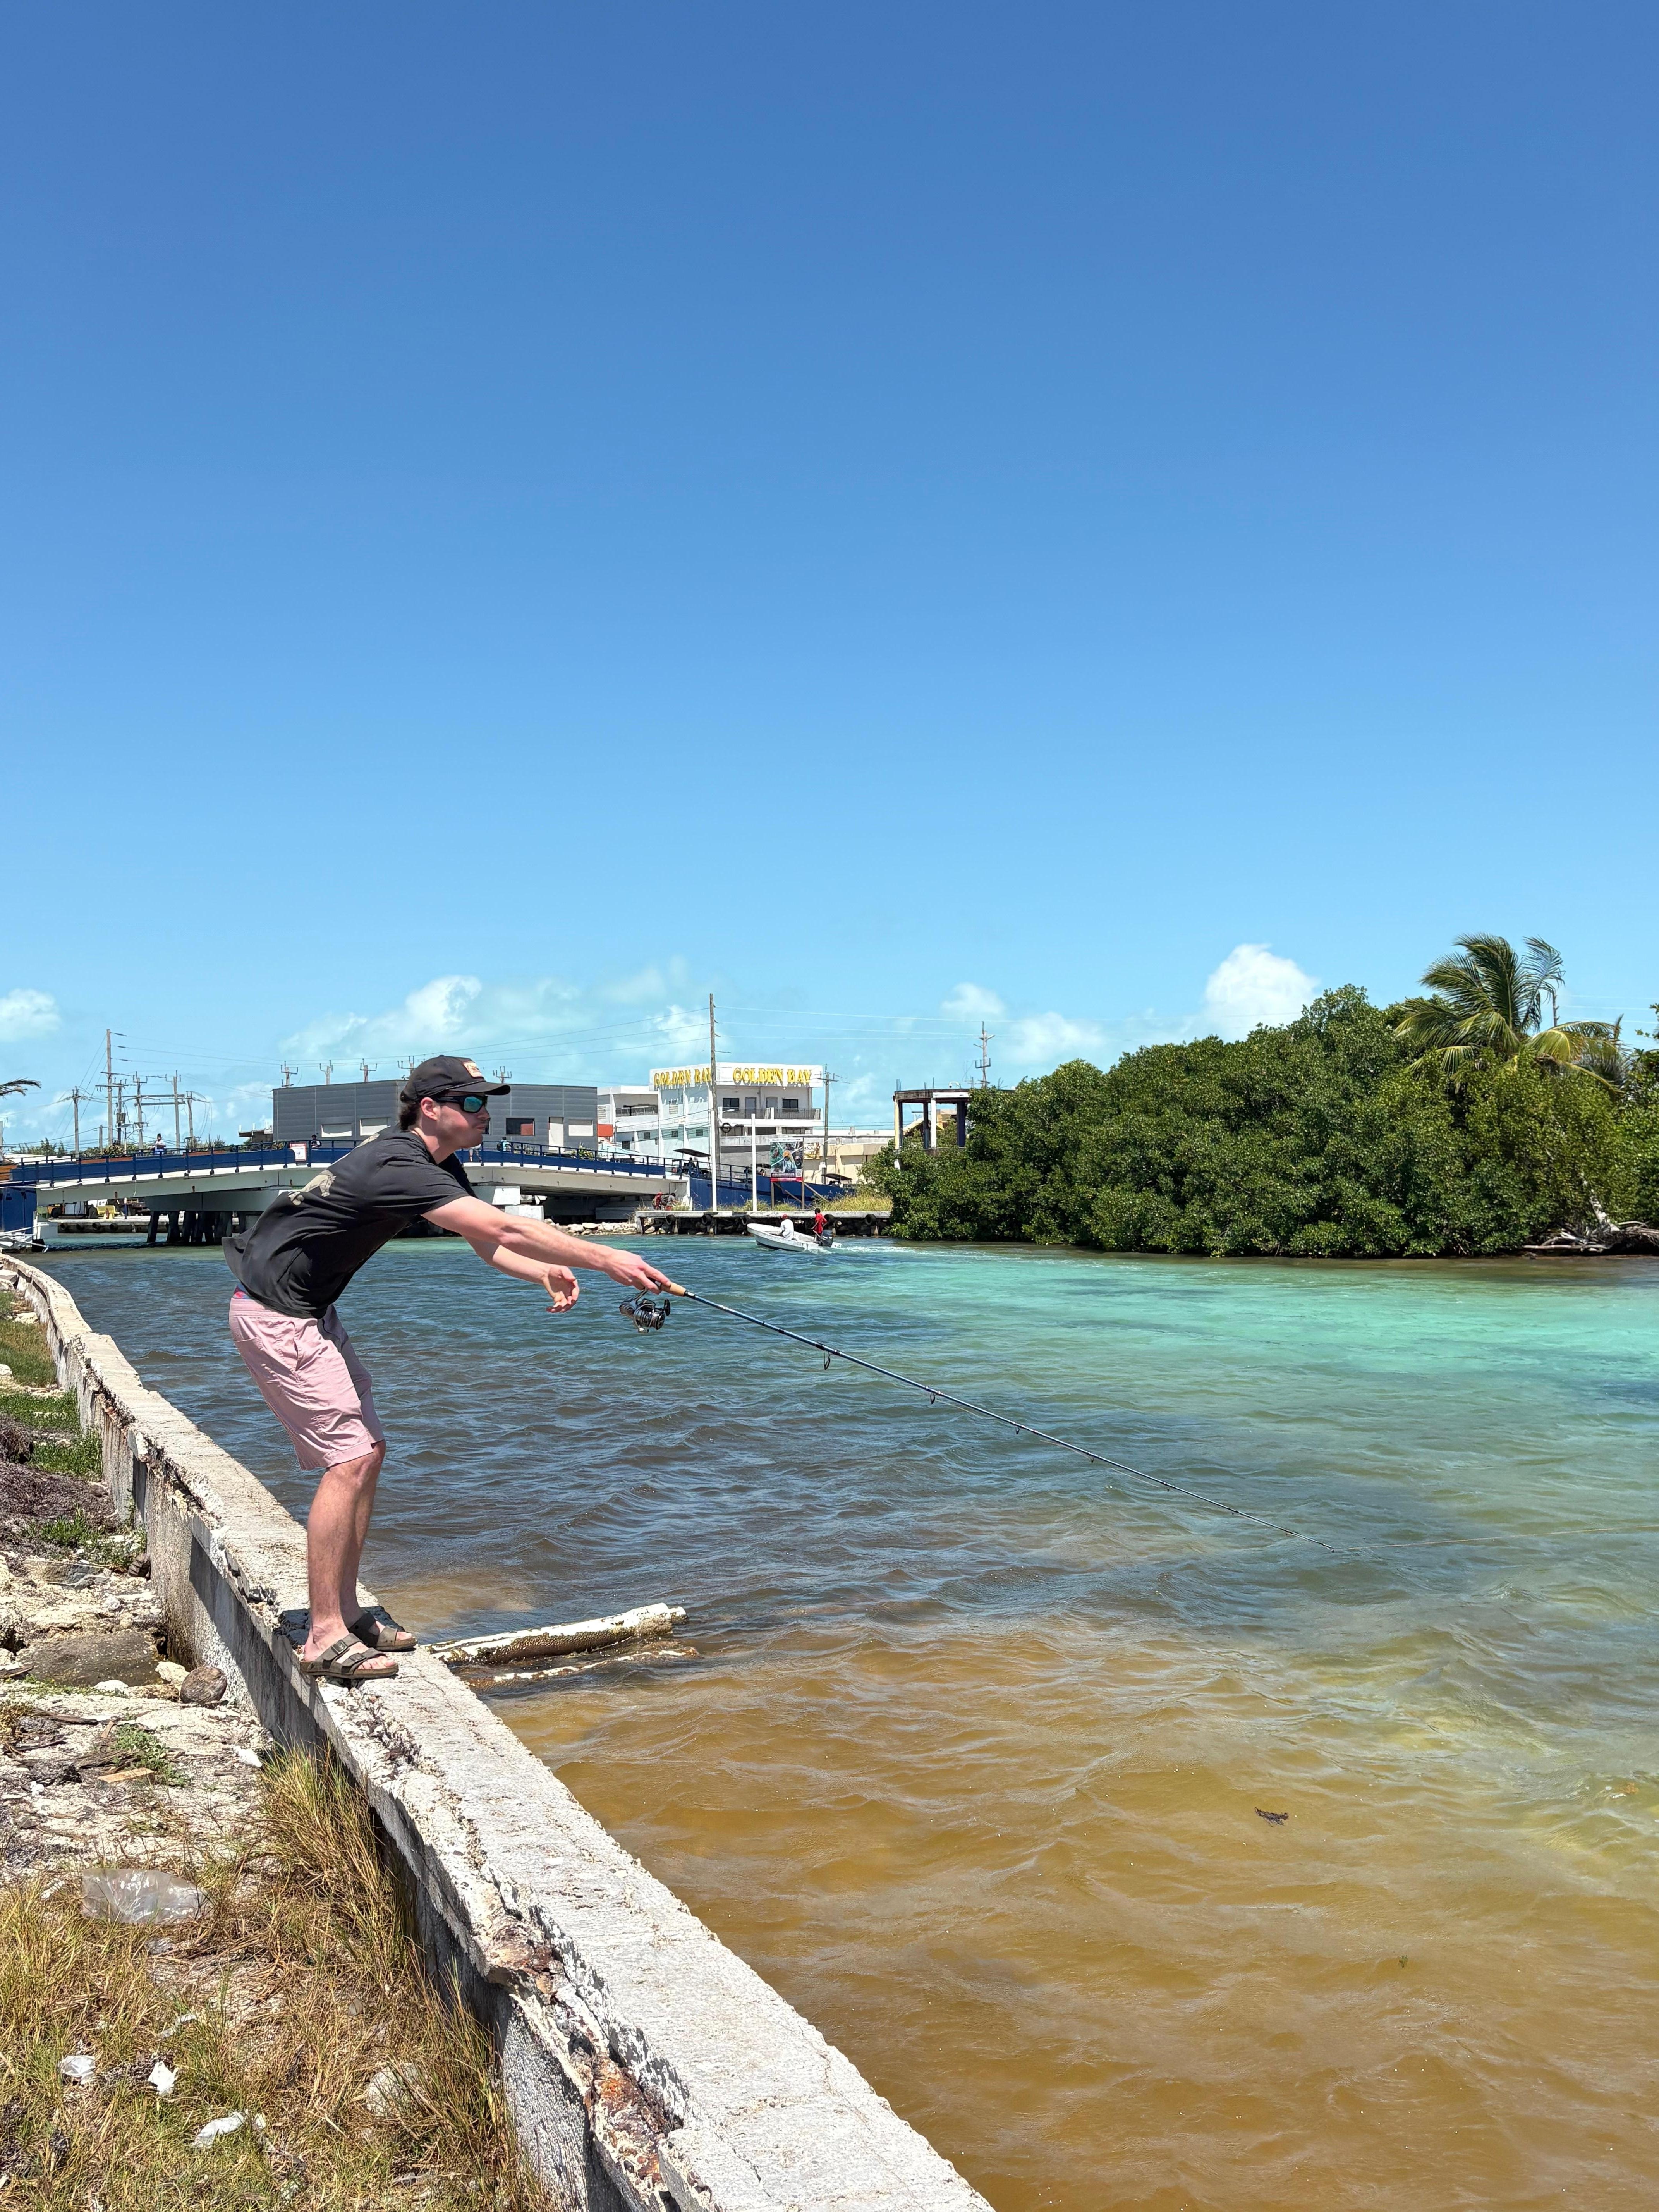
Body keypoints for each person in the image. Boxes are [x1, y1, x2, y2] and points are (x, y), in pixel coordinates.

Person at [224, 1056, 680, 1686]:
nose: (484, 1113)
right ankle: (323, 1633)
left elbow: (484, 1242)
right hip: (278, 1316)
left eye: (484, 1102)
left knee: (369, 1451)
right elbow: (499, 1223)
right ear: (430, 1108)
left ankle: (348, 1611)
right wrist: (605, 1257)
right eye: (470, 1103)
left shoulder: (433, 1163)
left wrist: (542, 1271)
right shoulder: (396, 1164)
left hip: (309, 1311)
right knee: (348, 1460)